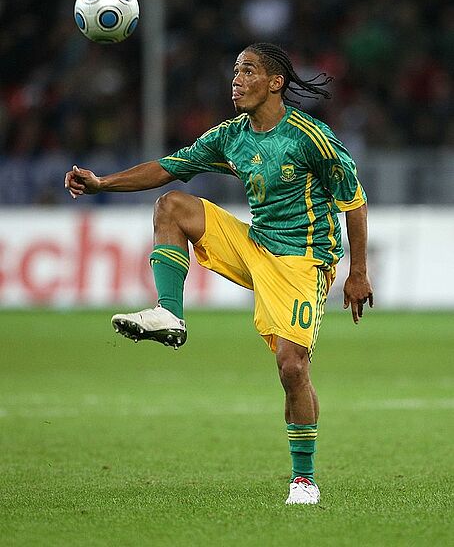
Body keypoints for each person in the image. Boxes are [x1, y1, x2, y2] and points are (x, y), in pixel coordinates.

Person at [65, 42, 373, 505]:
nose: (236, 81)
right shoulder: (231, 136)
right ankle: (169, 312)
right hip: (255, 244)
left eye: (248, 71)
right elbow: (168, 168)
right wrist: (102, 183)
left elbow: (355, 201)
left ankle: (303, 479)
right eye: (235, 72)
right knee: (172, 206)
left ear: (275, 83)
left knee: (292, 366)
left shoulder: (311, 138)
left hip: (303, 259)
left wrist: (358, 272)